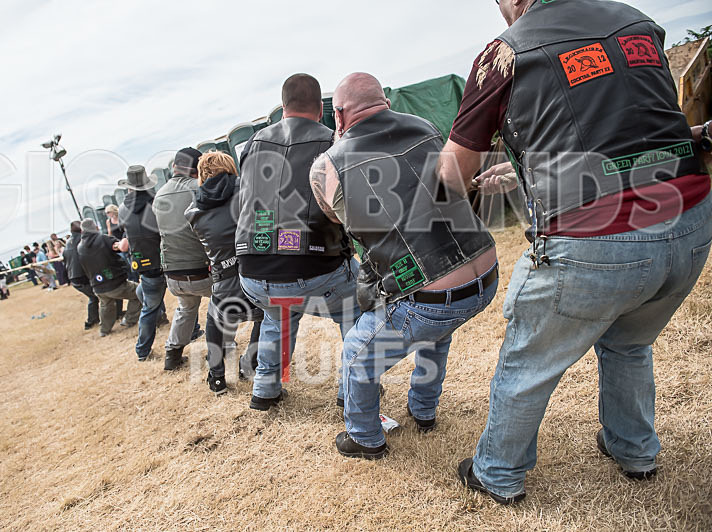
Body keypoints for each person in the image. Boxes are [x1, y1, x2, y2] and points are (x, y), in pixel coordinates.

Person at [443, 0, 712, 504]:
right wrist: (526, 171)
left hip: (595, 239)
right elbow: (629, 132)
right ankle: (635, 450)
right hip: (691, 224)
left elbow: (453, 174)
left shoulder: (504, 53)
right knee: (630, 343)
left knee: (527, 361)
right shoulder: (637, 22)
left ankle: (497, 473)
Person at [309, 72, 498, 460]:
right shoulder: (426, 126)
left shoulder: (327, 164)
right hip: (487, 274)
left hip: (434, 295)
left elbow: (335, 216)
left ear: (340, 116)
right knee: (435, 330)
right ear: (385, 103)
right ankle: (424, 410)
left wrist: (334, 151)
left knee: (357, 355)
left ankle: (364, 438)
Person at [236, 73, 360, 411]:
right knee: (357, 309)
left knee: (277, 316)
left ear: (283, 107)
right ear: (321, 108)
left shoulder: (253, 143)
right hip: (316, 266)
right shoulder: (334, 140)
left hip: (253, 269)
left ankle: (265, 391)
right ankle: (352, 389)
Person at [186, 151, 264, 395]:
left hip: (224, 287)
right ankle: (250, 363)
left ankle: (217, 376)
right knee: (269, 314)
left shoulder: (193, 212)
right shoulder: (249, 190)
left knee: (213, 318)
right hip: (255, 277)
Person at [153, 148, 211, 370]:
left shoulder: (159, 195)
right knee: (224, 302)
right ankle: (219, 348)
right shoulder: (198, 188)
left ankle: (172, 356)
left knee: (186, 308)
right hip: (202, 269)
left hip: (173, 273)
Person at [117, 165, 169, 362]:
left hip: (140, 262)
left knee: (147, 296)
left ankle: (144, 348)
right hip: (163, 258)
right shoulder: (156, 203)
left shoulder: (123, 208)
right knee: (181, 300)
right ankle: (142, 350)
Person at [76, 218, 142, 337]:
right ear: (95, 227)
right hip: (114, 282)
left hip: (97, 286)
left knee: (106, 304)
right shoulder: (103, 239)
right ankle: (129, 319)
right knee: (139, 292)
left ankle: (104, 330)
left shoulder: (80, 247)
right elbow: (120, 247)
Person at [62, 220, 100, 330]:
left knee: (95, 296)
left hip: (74, 276)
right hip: (82, 275)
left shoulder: (68, 243)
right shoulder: (82, 240)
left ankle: (94, 319)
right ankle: (91, 321)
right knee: (97, 296)